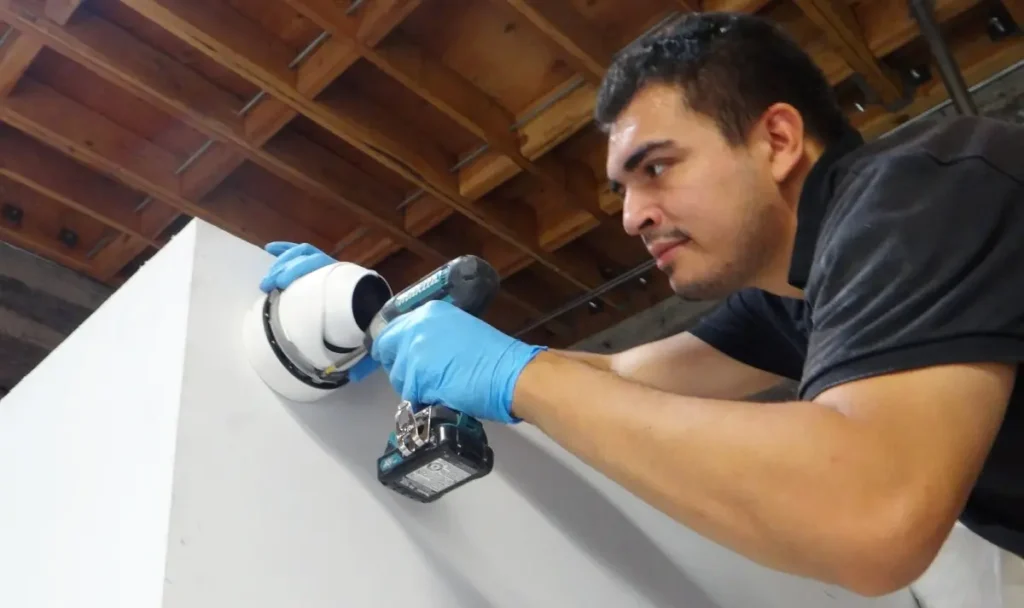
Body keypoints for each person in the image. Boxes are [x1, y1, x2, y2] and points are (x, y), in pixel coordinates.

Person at [258, 12, 1024, 597]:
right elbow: (621, 374)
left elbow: (872, 515)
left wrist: (515, 374)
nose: (632, 217)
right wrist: (390, 330)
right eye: (624, 188)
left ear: (779, 140)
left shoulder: (926, 190)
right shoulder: (790, 299)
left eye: (656, 167)